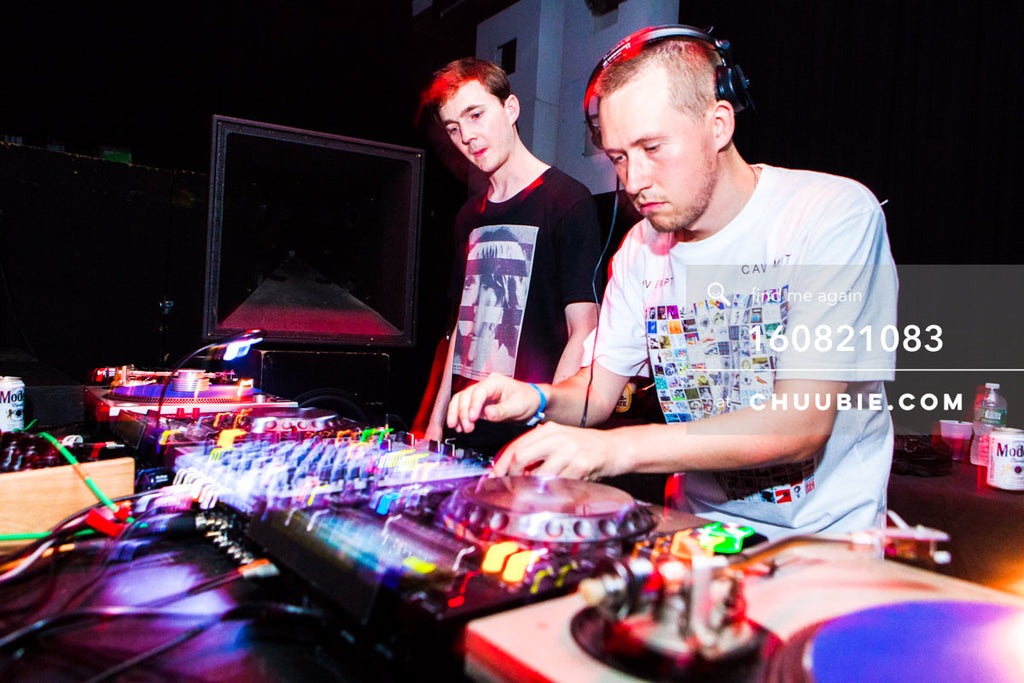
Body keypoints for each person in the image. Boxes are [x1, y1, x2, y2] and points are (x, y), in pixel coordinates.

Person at [445, 26, 898, 539]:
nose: (633, 180)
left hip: (826, 543)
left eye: (653, 147)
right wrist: (537, 398)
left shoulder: (831, 215)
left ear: (719, 124)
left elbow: (800, 425)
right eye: (619, 157)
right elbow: (596, 394)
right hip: (696, 535)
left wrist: (614, 449)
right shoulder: (640, 250)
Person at [418, 58, 602, 453]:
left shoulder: (567, 202)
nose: (467, 136)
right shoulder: (468, 217)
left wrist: (548, 434)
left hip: (527, 437)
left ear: (511, 108)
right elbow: (461, 329)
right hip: (464, 433)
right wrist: (435, 423)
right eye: (453, 128)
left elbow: (584, 330)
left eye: (476, 115)